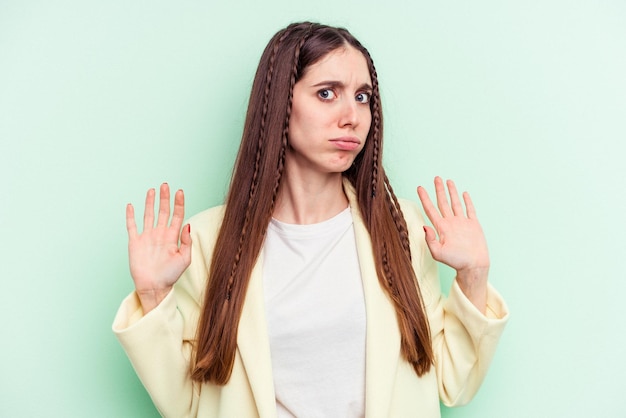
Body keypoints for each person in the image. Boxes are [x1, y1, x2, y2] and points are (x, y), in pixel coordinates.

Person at [113, 22, 509, 418]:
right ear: (280, 101)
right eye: (326, 93)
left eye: (362, 97)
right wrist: (153, 296)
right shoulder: (206, 242)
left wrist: (473, 276)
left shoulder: (403, 228)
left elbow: (452, 384)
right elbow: (187, 404)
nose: (352, 116)